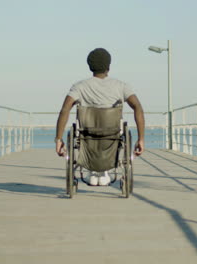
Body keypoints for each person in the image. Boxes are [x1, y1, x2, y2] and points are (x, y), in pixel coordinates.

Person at [55, 48, 145, 186]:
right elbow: (138, 107)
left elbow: (64, 110)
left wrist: (59, 139)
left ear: (90, 66)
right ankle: (103, 171)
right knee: (116, 135)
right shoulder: (121, 86)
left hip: (87, 136)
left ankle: (94, 171)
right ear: (108, 66)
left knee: (84, 136)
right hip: (112, 135)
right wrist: (141, 139)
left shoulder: (79, 87)